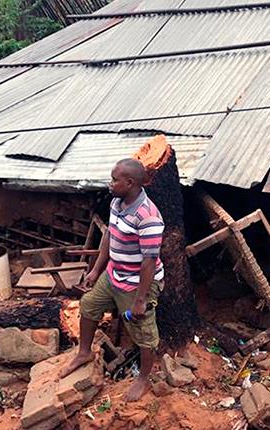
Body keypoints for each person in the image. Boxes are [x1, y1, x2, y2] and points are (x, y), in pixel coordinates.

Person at [60, 159, 165, 402]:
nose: (110, 183)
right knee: (89, 306)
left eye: (115, 179)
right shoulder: (117, 202)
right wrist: (97, 270)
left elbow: (149, 262)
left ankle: (143, 378)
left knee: (144, 333)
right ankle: (84, 353)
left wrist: (140, 300)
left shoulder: (148, 216)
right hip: (114, 273)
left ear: (129, 183)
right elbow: (109, 235)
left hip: (139, 283)